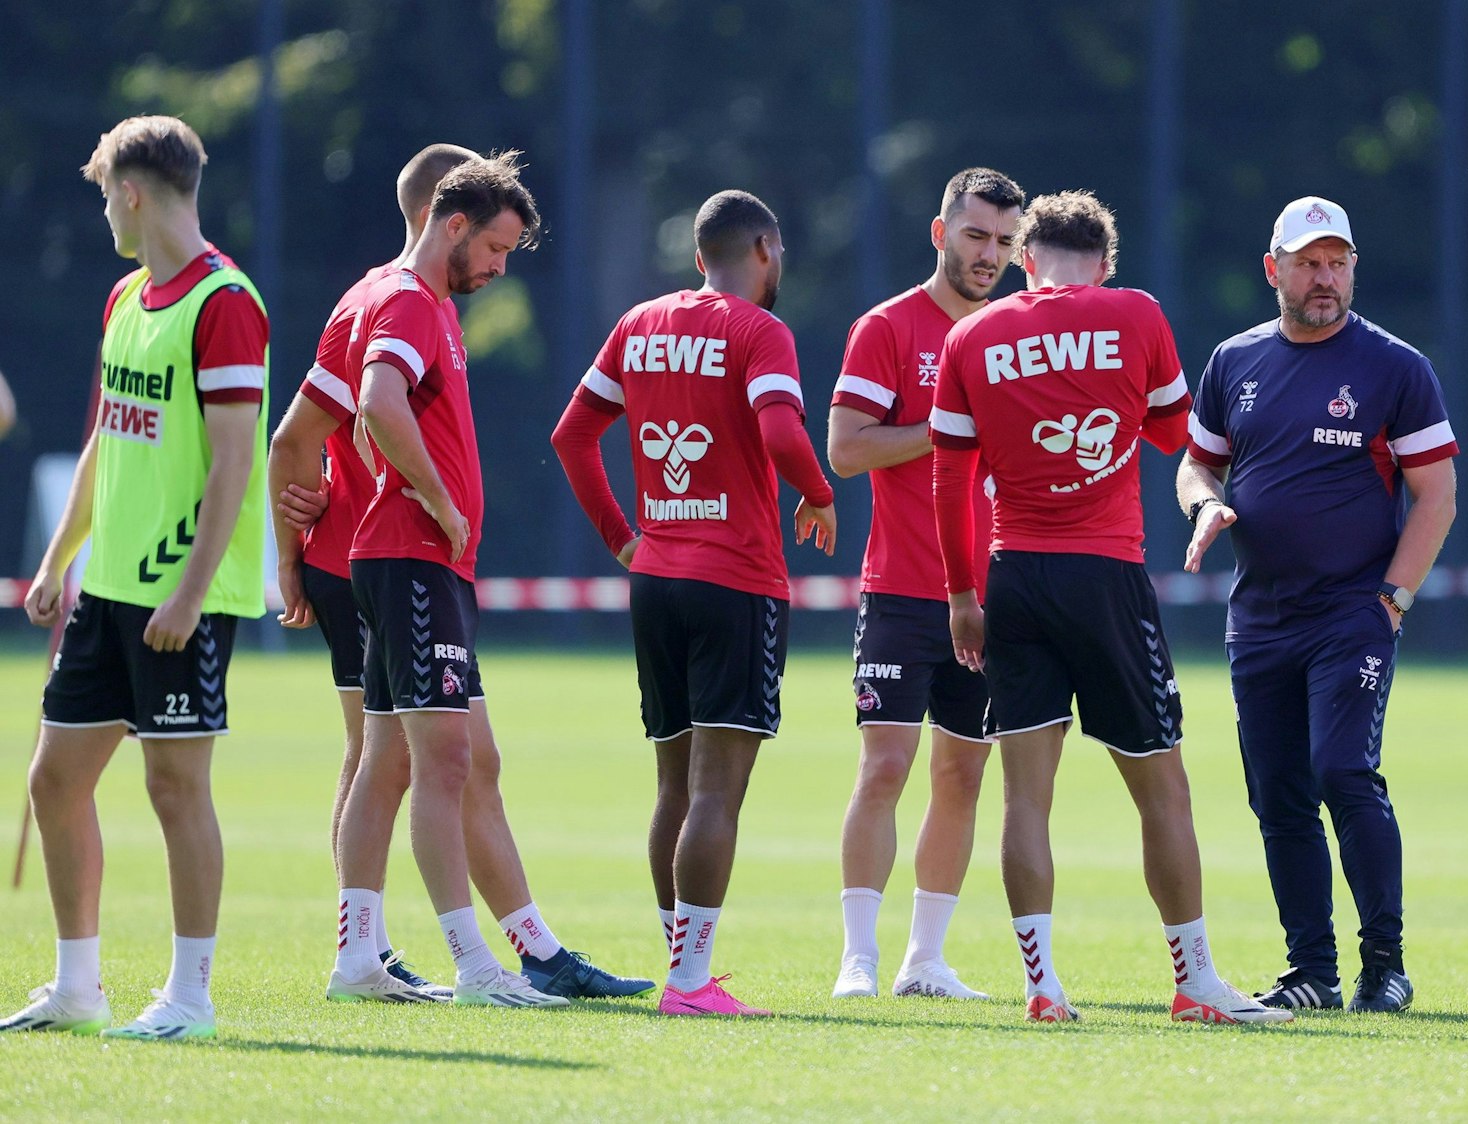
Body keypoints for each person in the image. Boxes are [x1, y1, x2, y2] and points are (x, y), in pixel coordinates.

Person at [272, 147, 651, 1004]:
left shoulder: (399, 296)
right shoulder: (406, 299)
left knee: (397, 762)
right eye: (495, 248)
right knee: (439, 764)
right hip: (409, 555)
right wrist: (440, 503)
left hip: (395, 557)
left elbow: (314, 424)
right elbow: (374, 401)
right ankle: (479, 967)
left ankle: (363, 959)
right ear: (452, 224)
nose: (499, 267)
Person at [931, 189, 1290, 1026]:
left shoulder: (972, 333)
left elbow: (949, 479)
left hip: (1010, 574)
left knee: (1025, 796)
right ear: (1106, 261)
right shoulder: (1134, 315)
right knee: (1161, 788)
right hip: (1105, 577)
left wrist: (958, 594)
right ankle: (1195, 983)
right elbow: (1173, 435)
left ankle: (1042, 986)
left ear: (1026, 257)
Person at [3, 117, 268, 1041]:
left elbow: (235, 463)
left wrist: (190, 592)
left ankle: (189, 997)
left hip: (179, 596)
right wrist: (56, 559)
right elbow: (104, 443)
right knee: (54, 781)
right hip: (108, 591)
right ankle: (79, 988)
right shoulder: (125, 298)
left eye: (104, 192)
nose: (104, 210)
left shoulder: (226, 301)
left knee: (173, 788)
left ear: (133, 190)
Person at [552, 189, 837, 1017]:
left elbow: (571, 434)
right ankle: (688, 982)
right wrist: (817, 494)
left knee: (673, 784)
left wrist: (622, 538)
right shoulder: (759, 331)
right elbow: (783, 432)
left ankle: (683, 966)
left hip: (657, 577)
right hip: (734, 577)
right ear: (765, 249)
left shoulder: (640, 324)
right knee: (718, 790)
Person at [1178, 196, 1458, 1014]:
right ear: (1274, 270)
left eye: (1337, 262)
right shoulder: (1233, 361)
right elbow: (1195, 465)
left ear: (1353, 268)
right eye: (1307, 262)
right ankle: (1313, 972)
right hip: (1258, 616)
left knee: (1342, 770)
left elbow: (1435, 498)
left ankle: (1385, 964)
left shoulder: (1393, 367)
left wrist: (1391, 601)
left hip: (1351, 614)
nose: (1324, 277)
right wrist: (1206, 505)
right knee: (1278, 792)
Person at [825, 168, 1023, 1001]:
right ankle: (858, 960)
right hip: (903, 589)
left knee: (963, 773)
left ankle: (924, 960)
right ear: (941, 234)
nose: (991, 256)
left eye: (1006, 243)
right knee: (883, 767)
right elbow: (846, 448)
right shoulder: (888, 328)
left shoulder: (1024, 332)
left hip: (993, 593)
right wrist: (947, 424)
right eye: (976, 236)